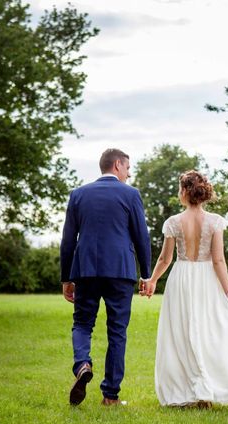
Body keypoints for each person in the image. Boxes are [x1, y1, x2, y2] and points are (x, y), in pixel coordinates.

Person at [142, 170, 228, 408]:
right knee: (209, 331)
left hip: (182, 277)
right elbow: (219, 260)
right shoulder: (215, 221)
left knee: (182, 333)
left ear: (185, 192)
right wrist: (226, 291)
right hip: (207, 278)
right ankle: (205, 391)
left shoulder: (173, 222)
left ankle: (190, 390)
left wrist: (153, 279)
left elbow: (165, 259)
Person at [60, 148, 151, 406]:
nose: (129, 174)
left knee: (82, 323)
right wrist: (146, 273)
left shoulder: (78, 195)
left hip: (85, 270)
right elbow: (141, 236)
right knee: (117, 331)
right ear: (118, 165)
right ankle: (110, 396)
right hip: (120, 271)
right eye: (128, 168)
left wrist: (66, 278)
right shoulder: (131, 194)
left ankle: (82, 363)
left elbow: (68, 240)